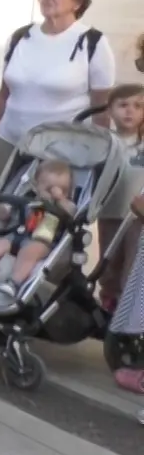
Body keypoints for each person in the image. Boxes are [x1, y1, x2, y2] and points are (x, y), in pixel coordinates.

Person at [0, 0, 113, 186]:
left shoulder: (93, 43)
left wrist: (101, 158)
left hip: (62, 149)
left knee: (47, 215)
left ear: (77, 3)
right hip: (10, 140)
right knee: (2, 210)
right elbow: (4, 95)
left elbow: (101, 108)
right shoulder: (20, 37)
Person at [0, 160, 75, 303]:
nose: (56, 192)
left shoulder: (65, 204)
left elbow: (72, 212)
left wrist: (61, 199)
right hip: (16, 235)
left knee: (29, 252)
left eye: (64, 189)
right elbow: (4, 216)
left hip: (42, 241)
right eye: (49, 189)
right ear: (36, 186)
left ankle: (13, 283)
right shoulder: (27, 198)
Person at [97, 83, 144, 309]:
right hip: (109, 211)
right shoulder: (105, 143)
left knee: (134, 260)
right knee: (109, 258)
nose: (130, 111)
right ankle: (109, 297)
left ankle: (129, 304)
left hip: (138, 216)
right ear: (110, 110)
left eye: (138, 106)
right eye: (123, 105)